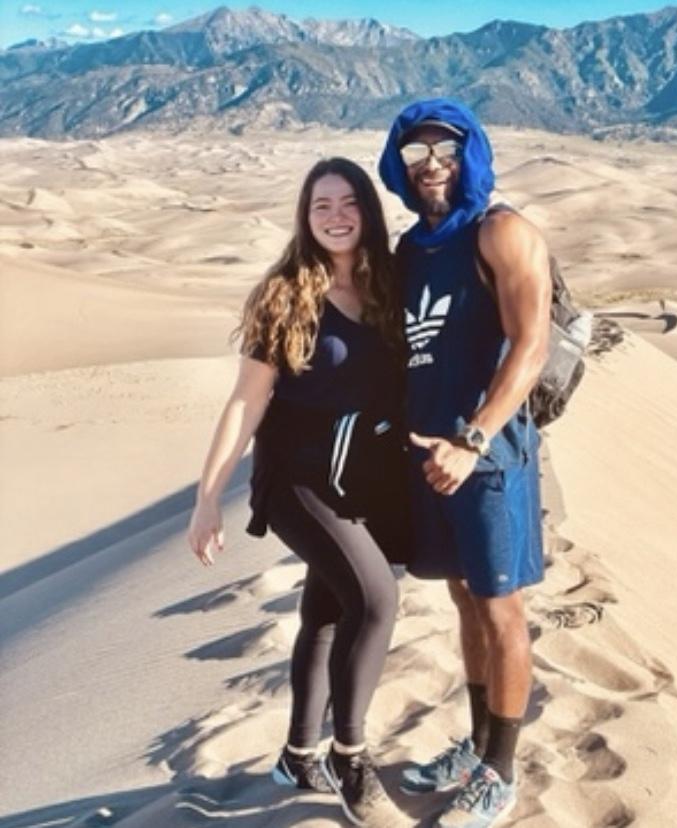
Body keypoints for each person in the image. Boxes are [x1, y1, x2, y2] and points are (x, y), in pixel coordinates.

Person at [187, 157, 410, 828]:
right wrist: (208, 496)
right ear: (305, 217)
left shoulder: (389, 287)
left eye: (349, 203)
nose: (336, 215)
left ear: (368, 211)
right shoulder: (285, 295)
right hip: (297, 480)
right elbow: (245, 402)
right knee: (375, 599)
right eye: (321, 205)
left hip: (365, 478)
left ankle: (297, 754)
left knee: (328, 613)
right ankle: (351, 758)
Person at [379, 99, 551, 827]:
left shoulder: (502, 233)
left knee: (502, 606)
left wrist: (473, 438)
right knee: (464, 603)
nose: (431, 167)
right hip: (429, 461)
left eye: (445, 150)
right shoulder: (410, 250)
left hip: (487, 459)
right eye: (416, 155)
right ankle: (481, 746)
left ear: (471, 152)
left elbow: (531, 346)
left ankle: (502, 773)